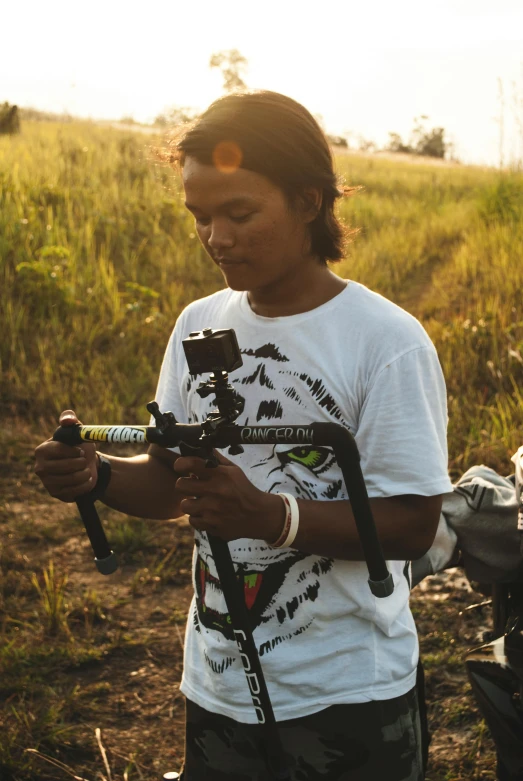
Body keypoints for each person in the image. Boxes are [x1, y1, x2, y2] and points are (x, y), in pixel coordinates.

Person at [34, 91, 454, 780]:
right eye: (199, 216)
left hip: (347, 695)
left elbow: (411, 524)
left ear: (310, 202)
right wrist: (99, 474)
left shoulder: (385, 341)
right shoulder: (199, 322)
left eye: (239, 213)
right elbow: (170, 479)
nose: (216, 238)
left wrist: (270, 516)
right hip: (219, 685)